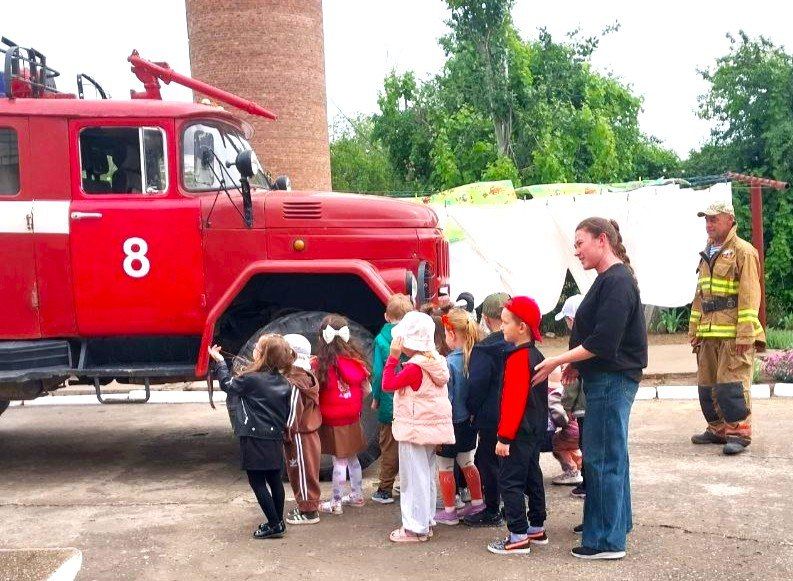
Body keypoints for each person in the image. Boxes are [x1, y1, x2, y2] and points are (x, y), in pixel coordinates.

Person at [534, 217, 648, 560]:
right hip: (605, 377)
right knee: (611, 455)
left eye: (580, 242)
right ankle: (613, 523)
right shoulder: (609, 279)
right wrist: (574, 364)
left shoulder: (616, 282)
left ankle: (607, 541)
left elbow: (603, 341)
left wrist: (557, 360)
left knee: (602, 458)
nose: (577, 250)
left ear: (602, 240)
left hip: (612, 379)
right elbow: (593, 335)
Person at [688, 201, 765, 455]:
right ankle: (717, 429)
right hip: (709, 333)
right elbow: (700, 295)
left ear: (730, 220)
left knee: (731, 384)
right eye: (706, 220)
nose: (709, 225)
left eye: (714, 219)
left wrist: (746, 331)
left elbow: (750, 294)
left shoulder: (744, 251)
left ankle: (739, 432)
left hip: (733, 333)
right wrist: (694, 329)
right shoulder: (708, 252)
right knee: (707, 385)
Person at [208, 335, 298, 540]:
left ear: (263, 354)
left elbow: (227, 385)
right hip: (275, 436)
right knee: (274, 479)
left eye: (257, 348)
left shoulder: (251, 379)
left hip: (254, 436)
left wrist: (220, 362)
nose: (254, 350)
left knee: (257, 482)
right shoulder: (283, 381)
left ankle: (274, 524)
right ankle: (278, 520)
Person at [382, 311, 454, 542]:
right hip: (429, 428)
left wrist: (392, 358)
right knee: (425, 475)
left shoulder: (414, 367)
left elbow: (387, 384)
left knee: (413, 478)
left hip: (414, 429)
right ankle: (425, 520)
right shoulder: (436, 362)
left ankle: (414, 527)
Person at [487, 296, 549, 556]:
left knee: (510, 482)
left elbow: (513, 401)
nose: (501, 327)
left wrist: (503, 437)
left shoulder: (517, 358)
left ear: (521, 327)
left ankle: (517, 536)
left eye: (505, 322)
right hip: (534, 429)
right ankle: (536, 527)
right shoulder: (536, 355)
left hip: (517, 432)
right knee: (532, 475)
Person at [314, 314, 370, 515]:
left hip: (332, 419)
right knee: (352, 458)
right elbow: (367, 389)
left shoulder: (319, 364)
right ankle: (357, 495)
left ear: (322, 337)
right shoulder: (356, 361)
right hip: (353, 417)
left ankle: (335, 502)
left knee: (339, 461)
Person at [434, 308, 486, 526]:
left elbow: (448, 397)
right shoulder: (476, 356)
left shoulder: (448, 363)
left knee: (444, 466)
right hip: (470, 421)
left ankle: (449, 510)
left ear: (451, 334)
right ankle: (477, 503)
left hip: (451, 422)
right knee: (467, 461)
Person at [463, 292, 511, 527]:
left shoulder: (485, 348)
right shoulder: (521, 342)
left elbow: (477, 385)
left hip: (491, 415)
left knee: (487, 460)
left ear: (487, 318)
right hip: (517, 411)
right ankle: (515, 506)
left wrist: (471, 408)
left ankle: (492, 509)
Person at [371, 293, 414, 504]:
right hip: (411, 400)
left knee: (388, 446)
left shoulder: (380, 340)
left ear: (386, 316)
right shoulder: (413, 337)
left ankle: (384, 489)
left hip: (389, 402)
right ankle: (407, 486)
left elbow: (379, 373)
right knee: (408, 446)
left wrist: (376, 397)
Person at [282, 334, 322, 525]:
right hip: (308, 432)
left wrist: (286, 432)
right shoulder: (307, 374)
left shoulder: (296, 381)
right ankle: (308, 504)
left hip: (298, 434)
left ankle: (308, 511)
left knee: (302, 472)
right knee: (306, 469)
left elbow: (293, 412)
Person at [555, 294, 587, 497]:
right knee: (586, 445)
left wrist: (566, 407)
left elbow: (571, 382)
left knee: (586, 445)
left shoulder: (577, 344)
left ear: (573, 319)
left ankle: (585, 484)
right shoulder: (591, 339)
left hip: (582, 407)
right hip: (591, 403)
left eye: (567, 319)